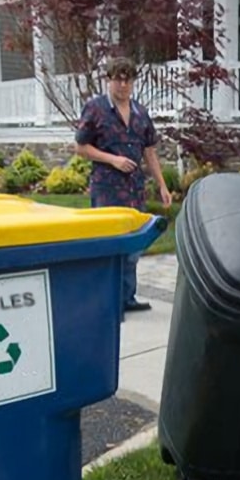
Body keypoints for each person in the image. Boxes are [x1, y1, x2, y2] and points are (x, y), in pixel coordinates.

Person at [75, 57, 172, 313]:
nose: (122, 84)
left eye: (127, 79)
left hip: (134, 189)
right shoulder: (95, 109)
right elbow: (81, 147)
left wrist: (162, 185)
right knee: (108, 246)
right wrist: (113, 160)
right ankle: (106, 302)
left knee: (133, 246)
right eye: (117, 78)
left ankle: (126, 299)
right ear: (109, 80)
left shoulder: (141, 113)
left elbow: (150, 151)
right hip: (107, 188)